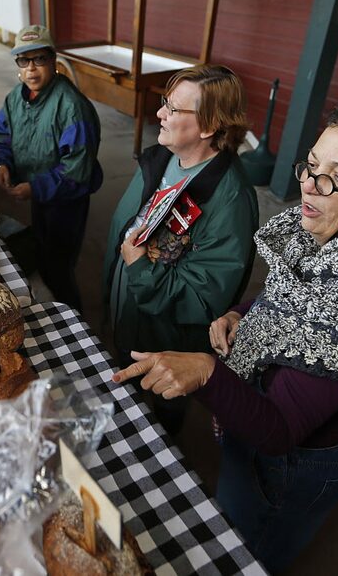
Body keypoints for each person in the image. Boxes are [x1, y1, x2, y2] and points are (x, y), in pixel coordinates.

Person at [112, 94, 338, 573]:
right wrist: (243, 312)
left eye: (337, 179)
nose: (308, 187)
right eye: (310, 166)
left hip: (296, 462)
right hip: (267, 417)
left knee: (247, 546)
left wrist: (206, 372)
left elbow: (280, 431)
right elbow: (290, 294)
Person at [103, 65, 258, 434]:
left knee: (159, 420)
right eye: (164, 103)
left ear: (208, 126)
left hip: (165, 340)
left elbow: (201, 297)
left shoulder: (230, 201)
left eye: (172, 109)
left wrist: (139, 269)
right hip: (130, 314)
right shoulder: (162, 158)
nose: (159, 114)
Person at [0, 25, 103, 310]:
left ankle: (73, 321)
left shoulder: (72, 107)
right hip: (38, 193)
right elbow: (3, 135)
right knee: (42, 250)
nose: (31, 69)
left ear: (54, 61)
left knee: (59, 266)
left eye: (39, 59)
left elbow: (77, 171)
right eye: (23, 60)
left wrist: (36, 187)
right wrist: (2, 162)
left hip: (67, 201)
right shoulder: (15, 99)